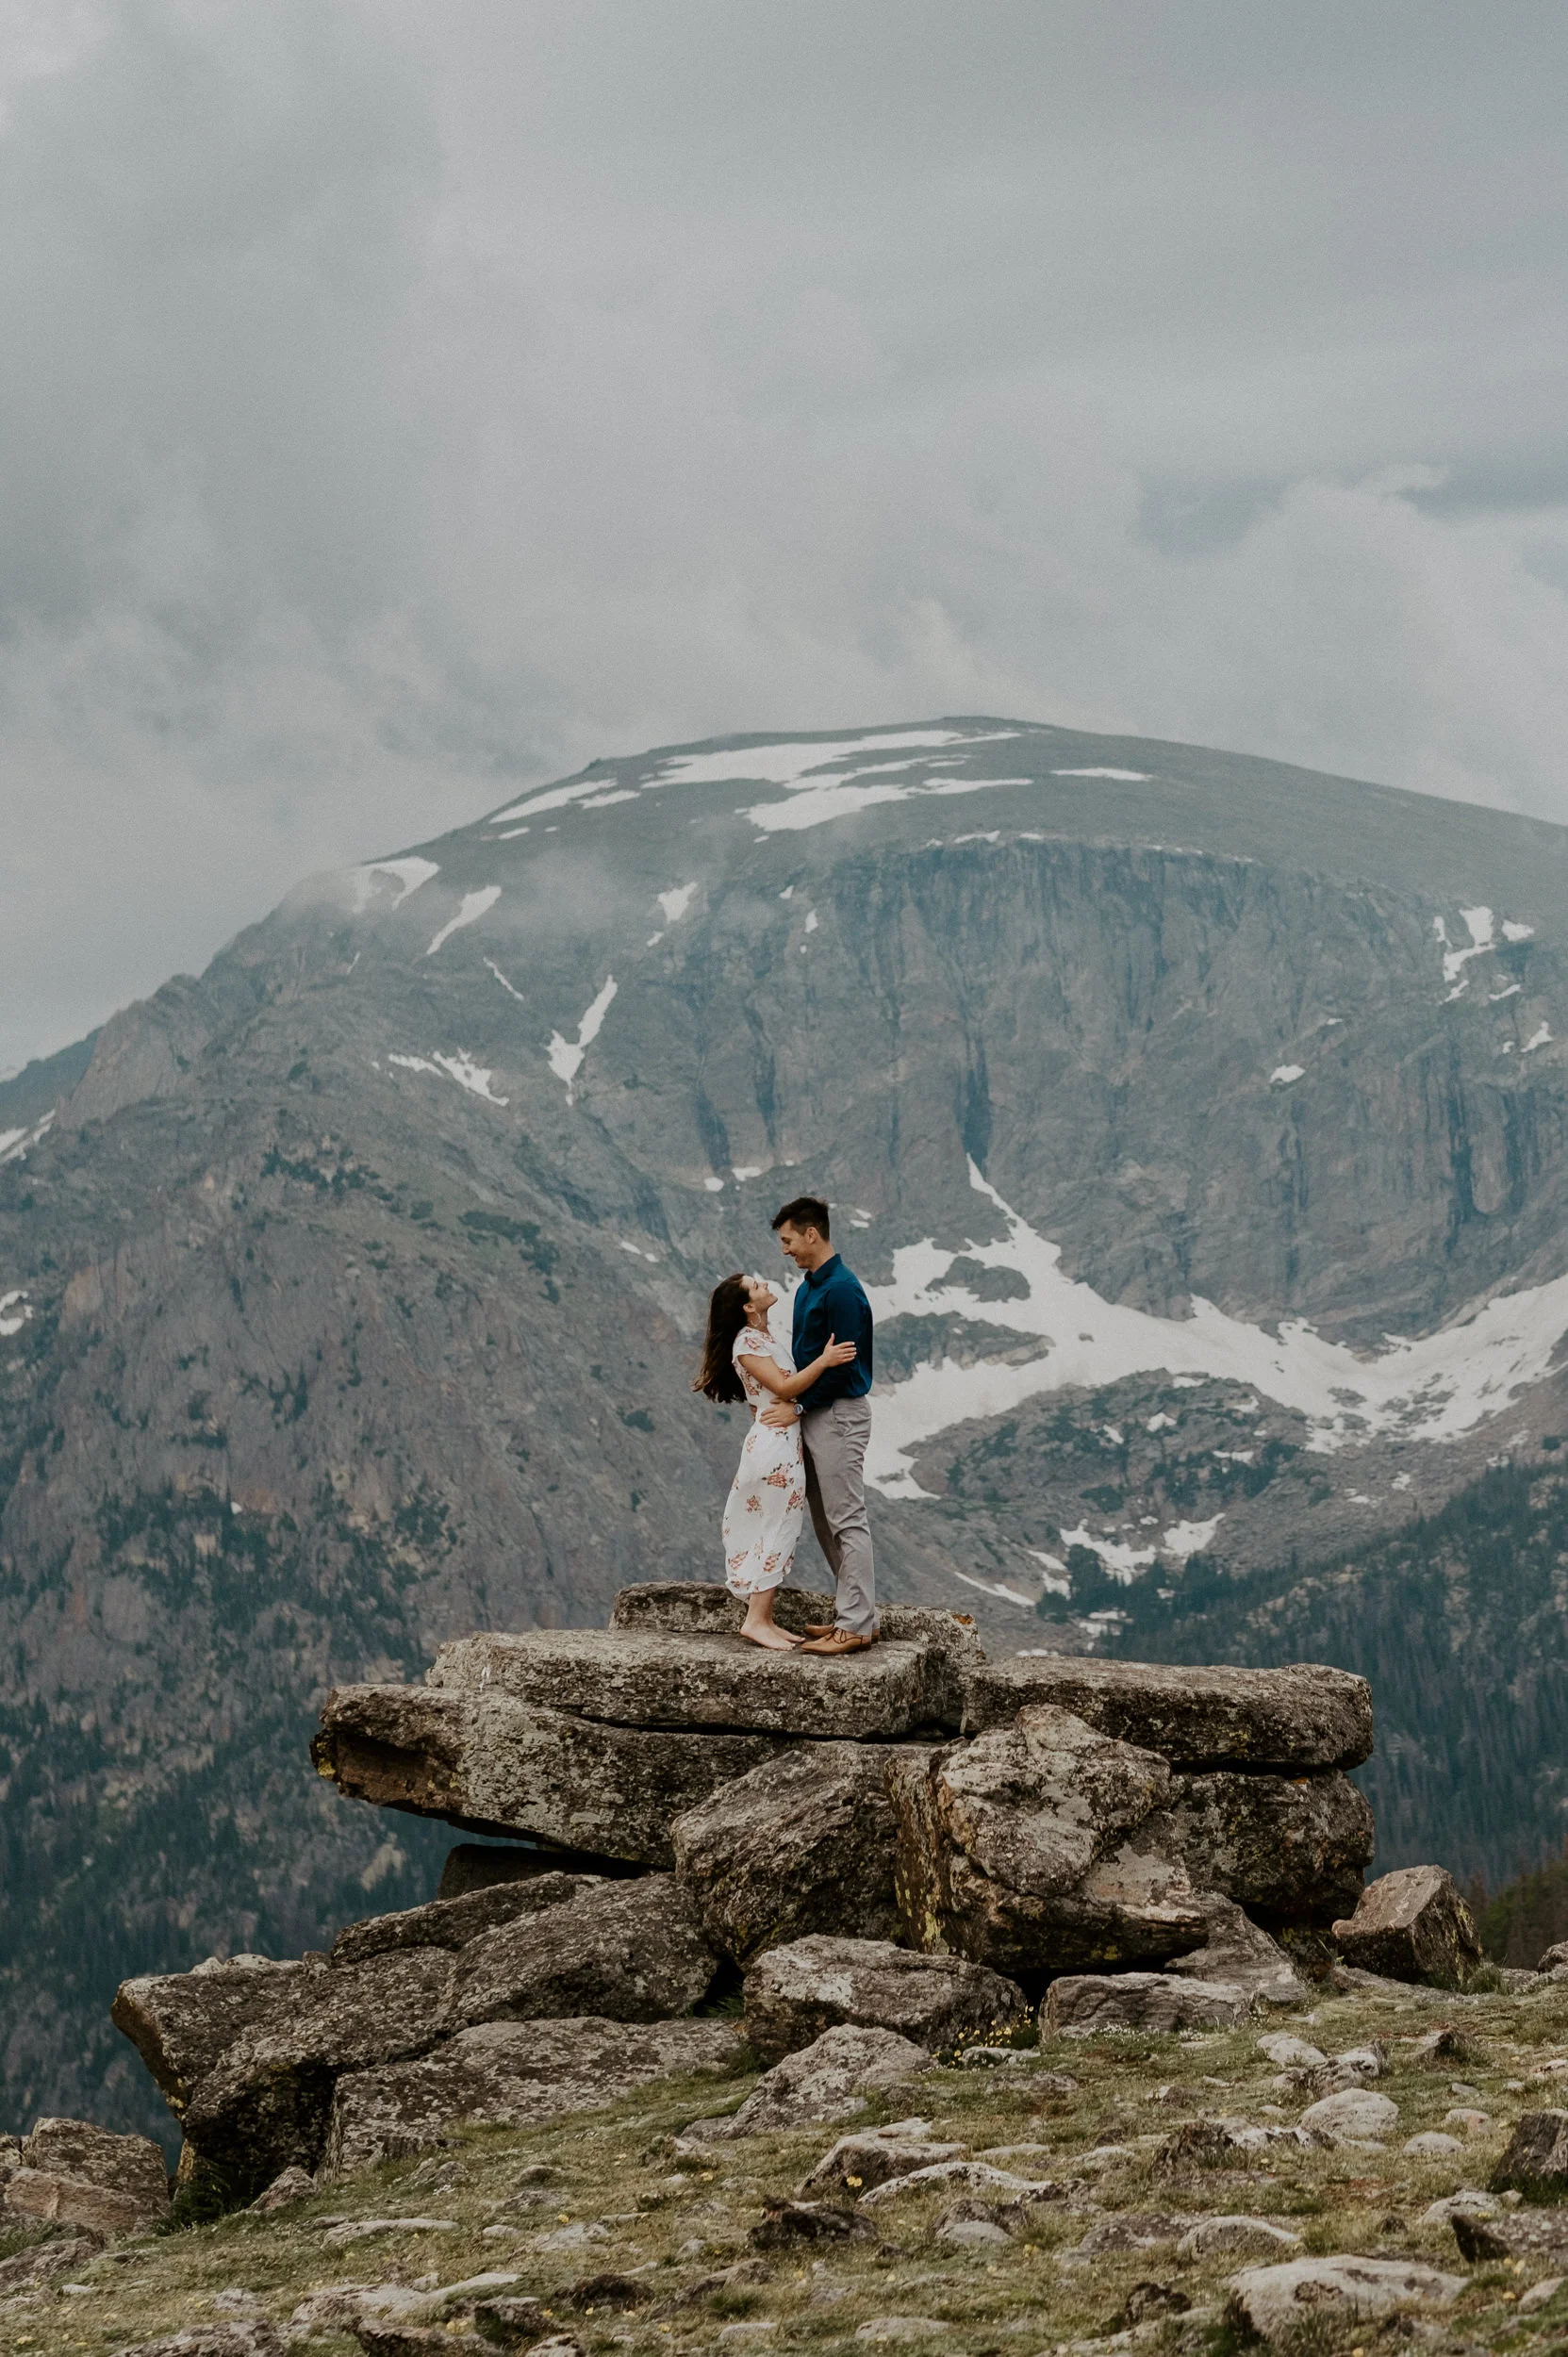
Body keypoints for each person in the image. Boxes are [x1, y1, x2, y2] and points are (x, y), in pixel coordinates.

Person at [692, 1270, 857, 1650]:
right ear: (748, 1307)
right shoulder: (746, 1342)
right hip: (774, 1447)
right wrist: (825, 1361)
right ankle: (755, 1620)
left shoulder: (760, 1338)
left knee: (773, 1523)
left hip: (779, 1441)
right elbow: (783, 1387)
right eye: (755, 1286)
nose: (764, 1283)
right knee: (778, 1525)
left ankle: (763, 1617)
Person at [769, 1195, 877, 1655]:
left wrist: (797, 1406)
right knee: (825, 1520)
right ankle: (854, 1615)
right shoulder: (809, 1287)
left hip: (837, 1414)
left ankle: (855, 1625)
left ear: (812, 1234)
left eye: (789, 1240)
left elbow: (841, 1367)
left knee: (847, 1519)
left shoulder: (842, 1290)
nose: (786, 1250)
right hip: (816, 1413)